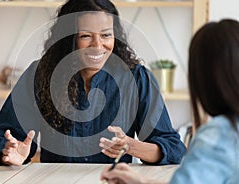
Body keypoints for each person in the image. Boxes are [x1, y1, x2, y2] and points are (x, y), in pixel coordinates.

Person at [0, 0, 186, 166]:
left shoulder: (136, 78)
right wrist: (8, 154)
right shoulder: (40, 75)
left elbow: (173, 148)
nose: (98, 46)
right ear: (68, 39)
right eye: (85, 36)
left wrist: (132, 146)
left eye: (106, 35)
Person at [101, 19, 239, 183]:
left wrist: (131, 148)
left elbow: (174, 150)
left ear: (202, 79)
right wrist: (142, 182)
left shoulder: (218, 136)